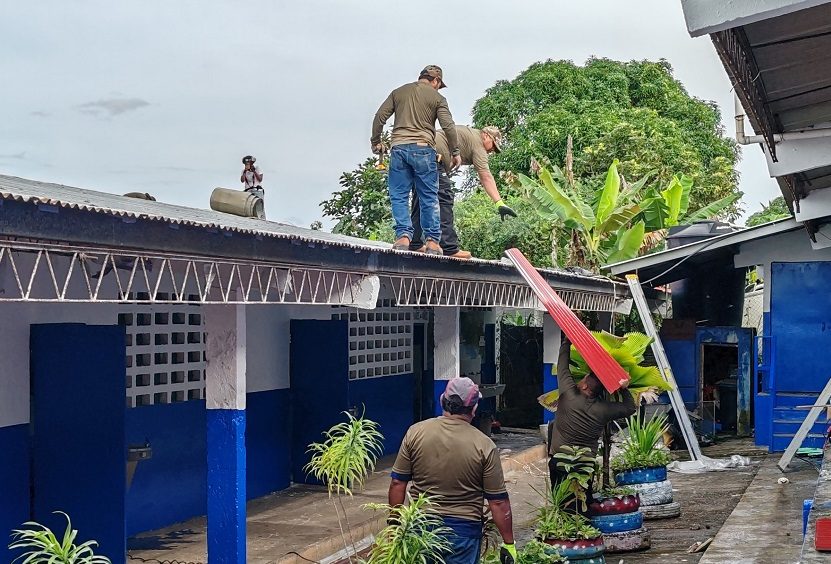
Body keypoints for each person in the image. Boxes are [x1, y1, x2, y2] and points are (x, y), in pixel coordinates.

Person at [389, 377, 517, 564]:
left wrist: (394, 527)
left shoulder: (415, 433)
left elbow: (397, 483)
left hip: (420, 528)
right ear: (474, 408)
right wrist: (509, 543)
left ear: (443, 401)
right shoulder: (484, 445)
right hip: (463, 535)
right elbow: (498, 502)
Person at [371, 65, 460, 255]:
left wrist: (376, 142)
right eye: (439, 84)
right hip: (423, 148)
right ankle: (433, 242)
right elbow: (448, 126)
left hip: (399, 148)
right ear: (436, 80)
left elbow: (379, 117)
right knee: (428, 196)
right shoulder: (438, 98)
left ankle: (403, 237)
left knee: (399, 195)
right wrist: (455, 151)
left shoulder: (399, 92)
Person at [548, 336, 636, 504]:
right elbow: (630, 408)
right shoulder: (603, 409)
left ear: (585, 386)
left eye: (583, 378)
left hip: (560, 460)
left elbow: (562, 367)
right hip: (585, 464)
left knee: (561, 504)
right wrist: (624, 389)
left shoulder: (568, 395)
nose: (580, 380)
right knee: (583, 503)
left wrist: (567, 341)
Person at [409, 125, 517, 259]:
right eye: (493, 146)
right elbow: (486, 177)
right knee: (444, 197)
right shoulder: (479, 144)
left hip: (415, 151)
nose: (492, 151)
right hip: (432, 155)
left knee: (420, 197)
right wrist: (499, 203)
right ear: (486, 136)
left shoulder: (469, 135)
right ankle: (448, 247)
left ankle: (414, 242)